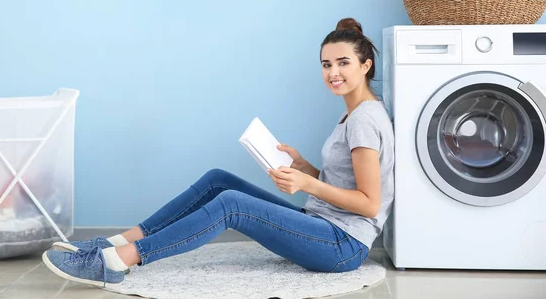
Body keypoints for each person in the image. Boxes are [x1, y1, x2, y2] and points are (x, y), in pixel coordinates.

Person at [42, 18, 395, 288]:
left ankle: (116, 261)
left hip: (341, 244)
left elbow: (368, 204)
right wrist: (307, 169)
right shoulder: (354, 113)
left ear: (365, 66)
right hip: (324, 223)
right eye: (325, 64)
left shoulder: (363, 120)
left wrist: (307, 184)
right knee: (218, 181)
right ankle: (117, 240)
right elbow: (351, 182)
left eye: (343, 63)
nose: (333, 73)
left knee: (230, 204)